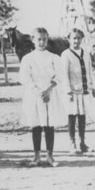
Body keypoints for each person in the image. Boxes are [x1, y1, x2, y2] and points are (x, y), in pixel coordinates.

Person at [20, 27, 66, 167]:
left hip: (49, 95)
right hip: (34, 95)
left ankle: (50, 156)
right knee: (36, 125)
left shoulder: (53, 58)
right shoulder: (28, 58)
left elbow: (60, 76)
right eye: (39, 39)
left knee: (49, 125)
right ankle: (36, 156)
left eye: (44, 39)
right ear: (33, 40)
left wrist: (48, 89)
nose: (41, 42)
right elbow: (24, 77)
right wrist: (37, 91)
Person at [59, 28, 95, 154]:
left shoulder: (85, 54)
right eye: (74, 38)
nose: (76, 40)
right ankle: (72, 143)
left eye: (79, 38)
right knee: (72, 115)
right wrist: (68, 90)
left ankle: (82, 143)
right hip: (72, 91)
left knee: (82, 116)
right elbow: (63, 74)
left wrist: (92, 87)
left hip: (83, 90)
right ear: (69, 39)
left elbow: (90, 71)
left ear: (82, 39)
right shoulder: (66, 54)